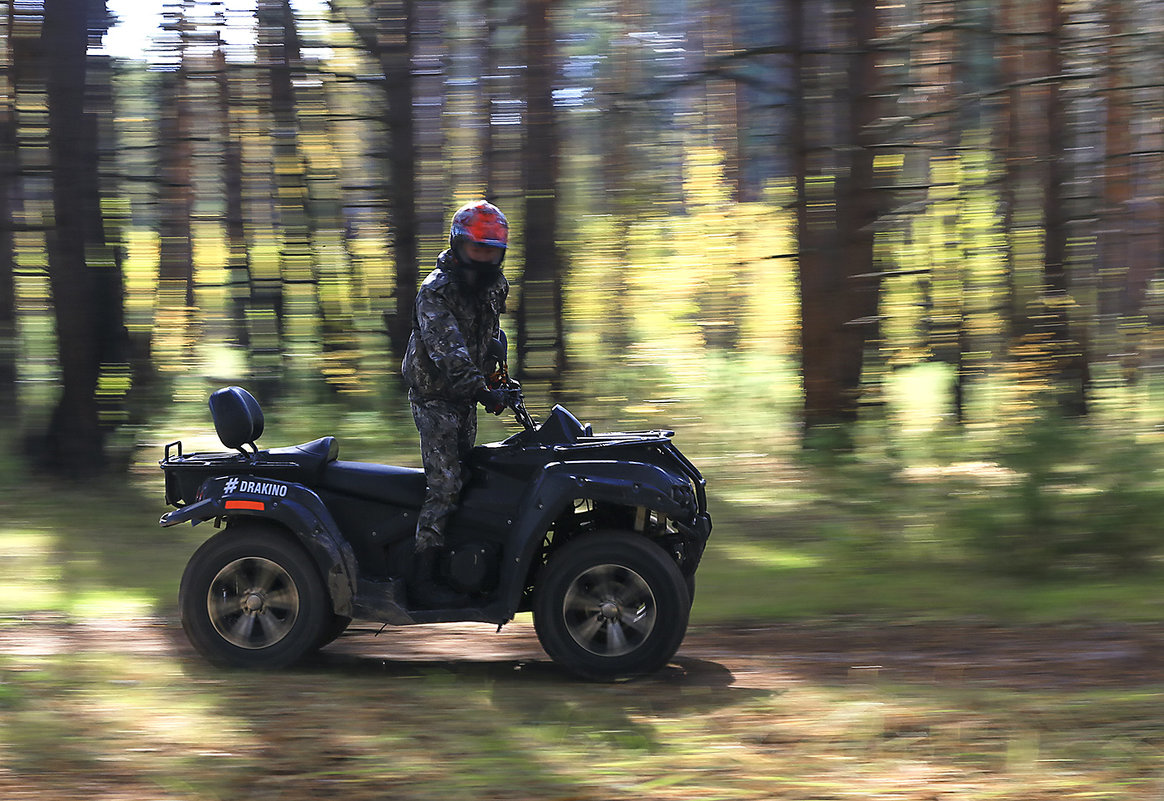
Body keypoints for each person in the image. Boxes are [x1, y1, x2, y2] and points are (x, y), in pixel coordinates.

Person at [400, 200, 510, 607]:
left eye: (491, 252)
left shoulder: (495, 285)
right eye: (477, 250)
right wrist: (482, 390)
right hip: (434, 396)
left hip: (466, 396)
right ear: (459, 245)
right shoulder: (435, 292)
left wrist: (499, 377)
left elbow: (489, 337)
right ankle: (422, 576)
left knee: (474, 474)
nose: (484, 259)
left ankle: (463, 562)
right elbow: (449, 352)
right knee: (445, 485)